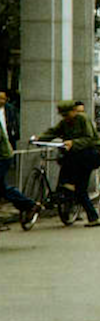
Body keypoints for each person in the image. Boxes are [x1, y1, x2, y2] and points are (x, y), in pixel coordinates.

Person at [35, 100, 100, 227]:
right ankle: (65, 199)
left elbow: (89, 139)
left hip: (89, 155)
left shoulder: (83, 119)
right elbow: (53, 132)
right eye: (63, 115)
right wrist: (39, 138)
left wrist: (73, 142)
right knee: (64, 174)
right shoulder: (64, 122)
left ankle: (93, 217)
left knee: (80, 188)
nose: (66, 118)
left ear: (73, 111)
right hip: (74, 156)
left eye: (67, 115)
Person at [0, 89, 40, 222]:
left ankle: (29, 205)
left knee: (2, 188)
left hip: (2, 156)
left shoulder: (9, 111)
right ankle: (29, 205)